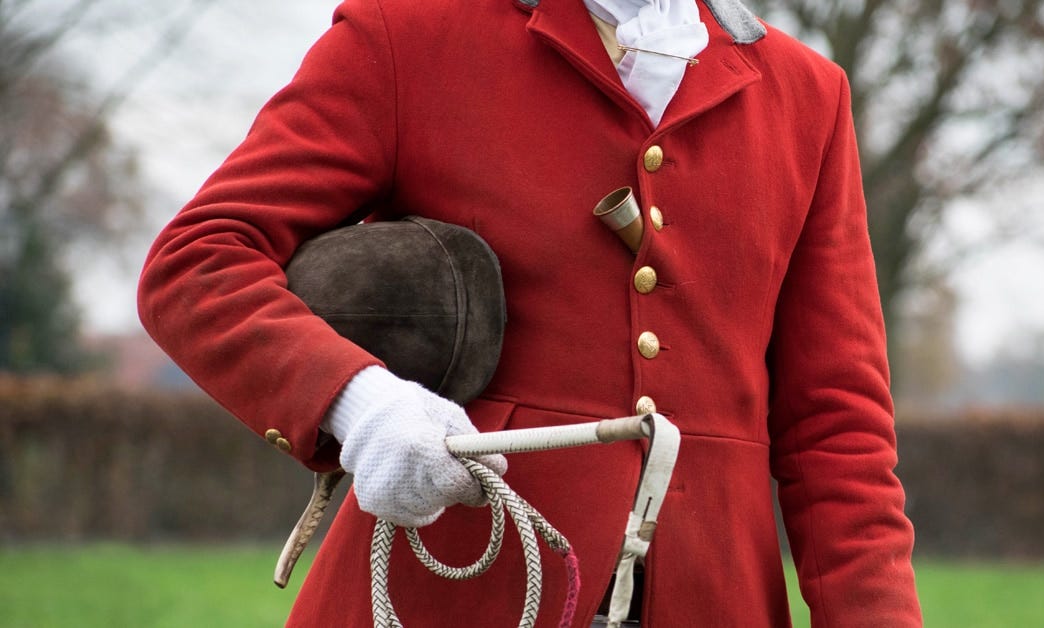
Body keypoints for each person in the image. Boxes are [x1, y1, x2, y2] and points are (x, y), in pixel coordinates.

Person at [137, 0, 922, 625]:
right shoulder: (408, 34)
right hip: (454, 590)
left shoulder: (809, 96)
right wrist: (360, 403)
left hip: (717, 597)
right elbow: (199, 259)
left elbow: (837, 428)